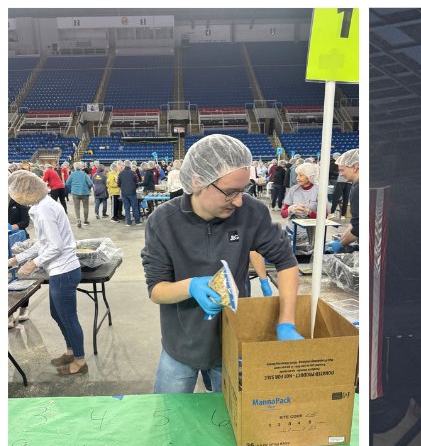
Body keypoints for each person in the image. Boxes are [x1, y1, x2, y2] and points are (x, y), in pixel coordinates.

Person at [142, 134, 301, 394]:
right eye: (230, 193)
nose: (238, 201)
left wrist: (286, 321)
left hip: (232, 342)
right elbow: (156, 289)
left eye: (243, 190)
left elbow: (286, 262)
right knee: (169, 419)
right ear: (197, 182)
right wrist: (191, 286)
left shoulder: (251, 212)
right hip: (181, 345)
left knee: (228, 424)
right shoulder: (163, 221)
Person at [8, 170, 87, 376]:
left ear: (23, 192)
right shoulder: (41, 205)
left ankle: (80, 361)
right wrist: (16, 259)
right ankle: (71, 351)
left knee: (68, 317)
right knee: (57, 313)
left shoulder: (44, 210)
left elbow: (55, 246)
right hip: (59, 271)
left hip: (64, 271)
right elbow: (42, 243)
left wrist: (33, 263)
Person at [280, 161, 324, 254]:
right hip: (291, 231)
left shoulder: (318, 191)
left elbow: (325, 217)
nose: (297, 178)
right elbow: (283, 214)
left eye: (301, 175)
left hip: (310, 235)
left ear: (310, 177)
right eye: (297, 175)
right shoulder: (294, 190)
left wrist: (309, 212)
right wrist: (290, 209)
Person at [324, 149, 359, 251]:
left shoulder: (358, 188)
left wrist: (340, 244)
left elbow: (358, 228)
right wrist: (341, 239)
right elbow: (355, 222)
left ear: (355, 167)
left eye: (342, 170)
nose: (340, 174)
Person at [66, 162, 93, 228]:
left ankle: (78, 220)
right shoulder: (84, 174)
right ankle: (86, 221)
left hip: (75, 193)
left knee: (76, 207)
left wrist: (73, 187)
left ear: (75, 167)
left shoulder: (72, 175)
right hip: (85, 193)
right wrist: (88, 188)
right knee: (86, 207)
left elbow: (67, 184)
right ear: (81, 167)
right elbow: (90, 183)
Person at [118, 161, 140, 226]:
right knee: (135, 207)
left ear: (124, 165)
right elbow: (137, 182)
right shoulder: (133, 173)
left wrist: (123, 187)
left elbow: (118, 183)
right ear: (130, 165)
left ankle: (128, 222)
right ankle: (137, 221)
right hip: (132, 192)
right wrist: (135, 187)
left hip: (124, 193)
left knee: (126, 208)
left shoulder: (120, 173)